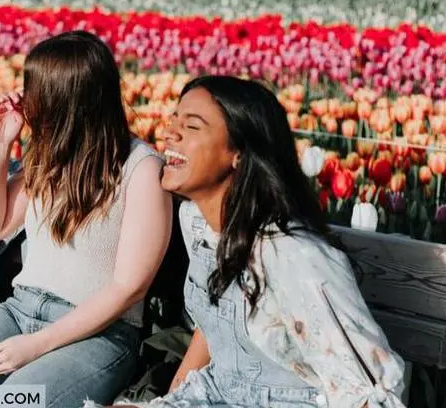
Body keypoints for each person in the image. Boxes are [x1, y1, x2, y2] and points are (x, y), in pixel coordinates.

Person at [94, 76, 406, 407]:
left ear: (239, 154)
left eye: (192, 126)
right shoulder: (197, 222)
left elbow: (368, 392)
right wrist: (171, 399)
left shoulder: (292, 256)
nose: (170, 132)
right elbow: (214, 327)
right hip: (217, 394)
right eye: (174, 120)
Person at [0, 30, 173, 407]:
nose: (25, 98)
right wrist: (0, 144)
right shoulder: (50, 158)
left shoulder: (142, 168)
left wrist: (37, 345)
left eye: (34, 88)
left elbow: (127, 289)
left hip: (99, 333)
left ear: (65, 99)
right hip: (18, 312)